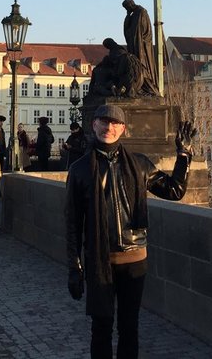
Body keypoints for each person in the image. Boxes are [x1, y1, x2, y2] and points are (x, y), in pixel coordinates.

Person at [65, 104, 194, 359]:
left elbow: (174, 190)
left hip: (134, 261)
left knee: (129, 327)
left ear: (123, 129)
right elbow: (72, 223)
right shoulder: (79, 169)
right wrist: (74, 267)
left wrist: (183, 155)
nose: (109, 127)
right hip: (100, 261)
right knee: (101, 328)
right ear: (94, 125)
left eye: (115, 123)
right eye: (103, 121)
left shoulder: (139, 164)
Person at [122, 0, 158, 91]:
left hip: (142, 46)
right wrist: (128, 16)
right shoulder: (133, 14)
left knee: (142, 65)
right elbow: (128, 31)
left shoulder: (141, 12)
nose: (127, 9)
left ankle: (147, 86)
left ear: (130, 5)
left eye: (126, 7)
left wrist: (135, 38)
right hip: (135, 44)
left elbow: (139, 30)